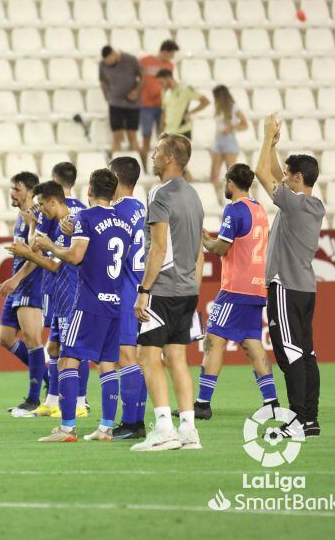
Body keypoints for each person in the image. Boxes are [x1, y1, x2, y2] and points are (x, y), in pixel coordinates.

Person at [25, 169, 132, 443]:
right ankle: (107, 428)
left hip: (88, 301)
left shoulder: (85, 216)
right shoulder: (124, 222)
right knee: (107, 363)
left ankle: (68, 428)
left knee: (66, 360)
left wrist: (51, 244)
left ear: (89, 190)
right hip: (114, 301)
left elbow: (74, 256)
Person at [132, 134, 205, 452]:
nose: (152, 155)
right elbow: (201, 249)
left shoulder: (159, 194)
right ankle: (189, 430)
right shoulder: (194, 195)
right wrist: (192, 286)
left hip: (162, 288)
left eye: (158, 150)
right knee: (177, 357)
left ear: (170, 158)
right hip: (188, 289)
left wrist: (144, 290)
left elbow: (158, 249)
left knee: (147, 356)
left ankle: (164, 428)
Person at [254, 113, 325, 437]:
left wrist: (267, 137)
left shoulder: (293, 205)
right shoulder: (313, 205)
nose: (282, 178)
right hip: (306, 288)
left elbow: (260, 173)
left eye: (287, 175)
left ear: (297, 179)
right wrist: (274, 147)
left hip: (283, 286)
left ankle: (296, 420)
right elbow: (272, 171)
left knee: (290, 354)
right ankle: (310, 419)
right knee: (307, 353)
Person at [196, 164, 276, 420]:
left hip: (235, 288)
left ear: (231, 183)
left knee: (213, 339)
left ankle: (202, 404)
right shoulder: (259, 209)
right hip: (256, 288)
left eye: (225, 181)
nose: (223, 185)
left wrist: (201, 237)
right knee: (253, 343)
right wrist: (213, 239)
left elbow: (220, 249)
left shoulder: (234, 209)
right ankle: (272, 401)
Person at [30, 164, 89, 418]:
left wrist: (35, 232)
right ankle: (53, 399)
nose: (41, 210)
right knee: (54, 347)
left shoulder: (67, 219)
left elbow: (49, 253)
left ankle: (80, 403)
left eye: (43, 206)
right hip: (61, 288)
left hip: (70, 289)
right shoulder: (82, 211)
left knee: (72, 348)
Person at [0, 172, 46, 416]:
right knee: (5, 338)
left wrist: (16, 278)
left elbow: (37, 255)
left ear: (30, 191)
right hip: (18, 284)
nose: (12, 193)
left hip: (31, 283)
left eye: (17, 189)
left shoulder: (37, 215)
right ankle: (50, 379)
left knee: (32, 339)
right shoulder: (21, 216)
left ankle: (35, 399)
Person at [109, 156, 148, 441]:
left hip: (124, 290)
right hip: (142, 287)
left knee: (126, 356)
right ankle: (136, 419)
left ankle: (132, 422)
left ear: (115, 176)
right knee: (139, 357)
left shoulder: (117, 213)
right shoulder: (142, 210)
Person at [139, 40, 179, 164]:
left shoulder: (170, 65)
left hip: (162, 106)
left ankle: (159, 165)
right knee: (146, 136)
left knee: (162, 138)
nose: (172, 57)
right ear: (165, 51)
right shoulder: (145, 61)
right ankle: (144, 165)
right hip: (146, 105)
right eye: (171, 54)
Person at [99, 46, 143, 152]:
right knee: (116, 136)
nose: (108, 64)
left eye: (110, 60)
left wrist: (136, 90)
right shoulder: (102, 64)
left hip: (132, 103)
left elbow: (142, 76)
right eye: (106, 62)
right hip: (115, 103)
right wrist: (107, 97)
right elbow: (103, 81)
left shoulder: (130, 60)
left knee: (132, 135)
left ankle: (135, 164)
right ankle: (114, 165)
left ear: (114, 54)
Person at [210, 85, 249, 193]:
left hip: (229, 140)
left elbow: (245, 124)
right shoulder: (217, 107)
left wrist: (232, 128)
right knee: (214, 174)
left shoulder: (233, 107)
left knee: (230, 174)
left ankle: (231, 198)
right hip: (218, 140)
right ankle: (215, 197)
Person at [156, 69, 209, 141]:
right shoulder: (165, 92)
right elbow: (164, 112)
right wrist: (161, 132)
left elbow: (205, 101)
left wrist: (190, 113)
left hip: (183, 132)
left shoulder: (186, 89)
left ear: (168, 78)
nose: (160, 85)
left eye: (161, 82)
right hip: (169, 132)